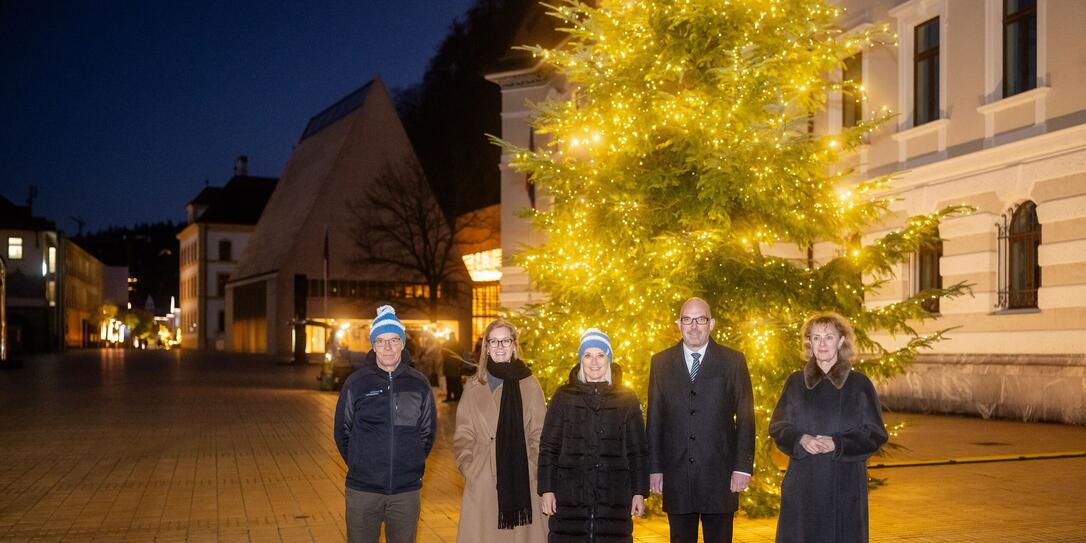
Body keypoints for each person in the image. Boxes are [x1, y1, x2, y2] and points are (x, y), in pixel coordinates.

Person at [769, 313, 888, 543]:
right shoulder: (795, 382)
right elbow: (779, 426)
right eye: (816, 337)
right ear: (809, 343)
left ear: (841, 341)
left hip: (845, 485)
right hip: (803, 484)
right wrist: (801, 439)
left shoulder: (859, 384)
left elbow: (875, 433)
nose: (822, 343)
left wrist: (838, 443)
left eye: (829, 337)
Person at [646, 297, 756, 543]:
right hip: (677, 476)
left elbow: (746, 417)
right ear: (678, 324)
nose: (694, 326)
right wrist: (655, 468)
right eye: (687, 319)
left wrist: (742, 467)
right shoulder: (660, 363)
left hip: (720, 476)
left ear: (712, 323)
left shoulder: (733, 361)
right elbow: (654, 419)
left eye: (701, 320)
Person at [334, 305, 438, 543]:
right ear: (373, 345)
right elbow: (342, 432)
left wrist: (411, 462)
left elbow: (427, 432)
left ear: (402, 343)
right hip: (363, 491)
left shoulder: (418, 383)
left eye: (393, 340)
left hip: (406, 491)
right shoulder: (356, 383)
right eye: (381, 341)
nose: (388, 348)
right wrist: (360, 463)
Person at [538, 328, 649, 542]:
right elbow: (549, 447)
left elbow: (638, 451)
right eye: (588, 355)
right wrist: (547, 489)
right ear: (581, 360)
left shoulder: (627, 399)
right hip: (570, 498)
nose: (594, 362)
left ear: (609, 358)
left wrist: (639, 492)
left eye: (600, 355)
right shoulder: (563, 397)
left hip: (614, 498)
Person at [453, 319, 549, 542]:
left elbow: (539, 433)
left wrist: (532, 466)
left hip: (521, 478)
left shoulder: (529, 384)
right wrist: (469, 467)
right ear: (486, 347)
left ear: (514, 345)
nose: (499, 347)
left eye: (505, 341)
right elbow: (463, 433)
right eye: (493, 341)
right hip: (483, 480)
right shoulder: (474, 385)